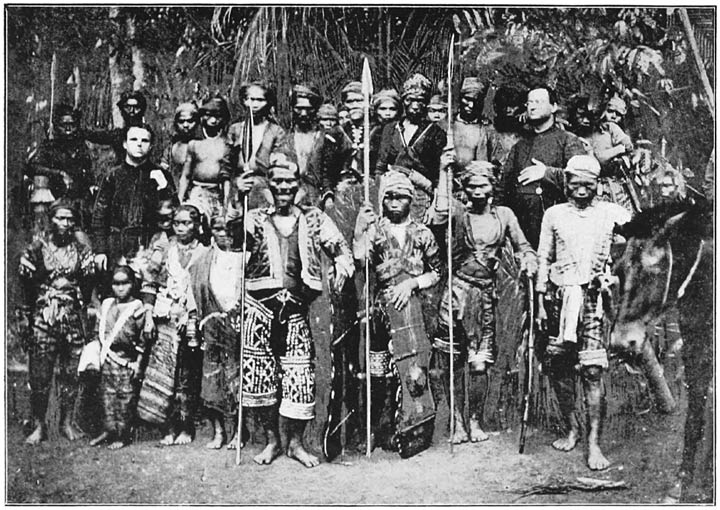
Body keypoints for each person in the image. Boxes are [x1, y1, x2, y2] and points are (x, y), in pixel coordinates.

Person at [231, 153, 354, 467]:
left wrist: (342, 265)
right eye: (278, 182)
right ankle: (272, 441)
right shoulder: (254, 215)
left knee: (299, 376)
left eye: (289, 181)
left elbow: (339, 247)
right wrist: (237, 197)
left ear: (298, 184)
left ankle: (296, 443)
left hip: (297, 308)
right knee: (261, 377)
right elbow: (232, 238)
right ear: (270, 186)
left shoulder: (313, 217)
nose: (284, 187)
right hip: (260, 307)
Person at [429, 161, 536, 443]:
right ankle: (457, 423)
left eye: (483, 185)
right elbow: (439, 212)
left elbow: (523, 245)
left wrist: (528, 258)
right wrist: (443, 170)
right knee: (453, 361)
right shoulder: (456, 212)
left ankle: (475, 420)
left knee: (479, 364)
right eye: (472, 186)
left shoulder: (505, 215)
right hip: (456, 293)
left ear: (492, 186)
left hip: (486, 296)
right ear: (464, 187)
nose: (477, 191)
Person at [536, 154, 631, 471]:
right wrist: (539, 300)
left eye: (587, 185)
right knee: (561, 369)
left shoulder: (610, 213)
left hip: (593, 299)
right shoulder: (554, 214)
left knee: (592, 371)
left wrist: (615, 273)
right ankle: (573, 428)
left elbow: (638, 240)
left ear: (597, 186)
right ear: (566, 184)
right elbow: (543, 258)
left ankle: (594, 443)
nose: (580, 190)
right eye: (574, 184)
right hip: (558, 300)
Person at [353, 169, 442, 454]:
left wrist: (413, 283)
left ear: (411, 200)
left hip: (415, 309)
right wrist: (359, 231)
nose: (394, 202)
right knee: (380, 373)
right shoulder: (374, 231)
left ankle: (414, 429)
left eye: (401, 197)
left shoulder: (422, 234)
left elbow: (438, 272)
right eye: (388, 197)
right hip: (382, 310)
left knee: (415, 370)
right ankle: (380, 430)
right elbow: (360, 261)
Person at [18, 199, 95, 444]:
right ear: (51, 219)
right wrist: (29, 316)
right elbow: (26, 287)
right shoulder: (37, 247)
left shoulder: (81, 250)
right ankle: (39, 424)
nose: (65, 223)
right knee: (40, 373)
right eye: (60, 218)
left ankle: (67, 422)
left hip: (71, 316)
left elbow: (87, 284)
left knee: (70, 373)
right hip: (44, 316)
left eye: (70, 219)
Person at [136, 204, 206, 446]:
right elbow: (149, 284)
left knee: (187, 374)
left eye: (187, 223)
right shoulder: (165, 251)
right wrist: (147, 316)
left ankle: (186, 427)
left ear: (197, 225)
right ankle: (166, 427)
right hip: (164, 317)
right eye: (177, 223)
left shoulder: (204, 252)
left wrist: (193, 316)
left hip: (190, 319)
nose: (182, 227)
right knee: (164, 374)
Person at [500, 86, 586, 248]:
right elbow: (503, 189)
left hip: (557, 231)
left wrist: (546, 173)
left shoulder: (567, 141)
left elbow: (583, 180)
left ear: (553, 107)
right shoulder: (520, 146)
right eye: (529, 103)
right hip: (522, 233)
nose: (532, 106)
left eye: (538, 102)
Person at [189, 215, 246, 450]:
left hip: (236, 322)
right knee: (211, 376)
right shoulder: (203, 258)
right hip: (210, 322)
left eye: (227, 229)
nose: (223, 233)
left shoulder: (243, 257)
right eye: (217, 228)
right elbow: (194, 292)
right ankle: (219, 431)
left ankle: (238, 432)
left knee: (236, 375)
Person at [91, 124, 176, 278]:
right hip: (118, 246)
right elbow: (100, 216)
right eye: (134, 139)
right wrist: (100, 250)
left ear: (151, 146)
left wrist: (164, 187)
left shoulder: (161, 175)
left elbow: (174, 213)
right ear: (125, 143)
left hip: (150, 244)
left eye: (145, 141)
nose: (139, 144)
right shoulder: (113, 176)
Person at [88, 265, 146, 450]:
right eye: (116, 284)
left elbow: (143, 340)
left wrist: (138, 363)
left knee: (124, 399)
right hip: (107, 359)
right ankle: (108, 430)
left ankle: (122, 434)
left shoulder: (137, 308)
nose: (120, 288)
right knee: (106, 397)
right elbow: (98, 330)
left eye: (125, 283)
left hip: (125, 361)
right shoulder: (106, 305)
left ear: (132, 284)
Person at [376, 73, 447, 221]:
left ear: (426, 103)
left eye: (420, 101)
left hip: (420, 196)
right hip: (392, 195)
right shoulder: (390, 129)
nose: (415, 106)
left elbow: (438, 175)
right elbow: (381, 167)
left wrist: (434, 205)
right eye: (410, 100)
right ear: (403, 101)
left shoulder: (435, 133)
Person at [28, 104, 93, 229]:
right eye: (64, 125)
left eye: (72, 125)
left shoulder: (81, 147)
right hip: (55, 198)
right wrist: (59, 173)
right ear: (57, 127)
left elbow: (88, 170)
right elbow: (33, 166)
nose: (68, 129)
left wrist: (91, 184)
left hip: (79, 199)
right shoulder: (49, 147)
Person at [227, 81, 285, 210]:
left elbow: (278, 164)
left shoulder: (275, 131)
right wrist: (237, 183)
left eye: (260, 100)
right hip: (239, 184)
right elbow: (227, 164)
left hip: (264, 185)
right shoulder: (235, 129)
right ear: (243, 101)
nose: (254, 105)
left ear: (268, 102)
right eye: (250, 99)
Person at [178, 97, 232, 218]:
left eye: (218, 116)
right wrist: (180, 200)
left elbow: (226, 179)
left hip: (217, 193)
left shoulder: (226, 144)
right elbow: (186, 175)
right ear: (202, 116)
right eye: (208, 115)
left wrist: (226, 204)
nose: (213, 120)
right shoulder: (195, 144)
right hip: (198, 192)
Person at [277, 84, 329, 207]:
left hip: (319, 200)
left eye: (309, 109)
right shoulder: (284, 138)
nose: (304, 113)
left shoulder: (326, 138)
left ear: (316, 109)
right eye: (299, 108)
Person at [84, 90, 148, 164]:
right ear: (122, 111)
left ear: (142, 110)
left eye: (136, 108)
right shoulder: (118, 135)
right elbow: (98, 136)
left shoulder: (147, 134)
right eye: (128, 108)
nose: (132, 112)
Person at [163, 102, 199, 188]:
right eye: (181, 122)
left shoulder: (203, 145)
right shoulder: (171, 148)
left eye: (190, 121)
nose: (185, 125)